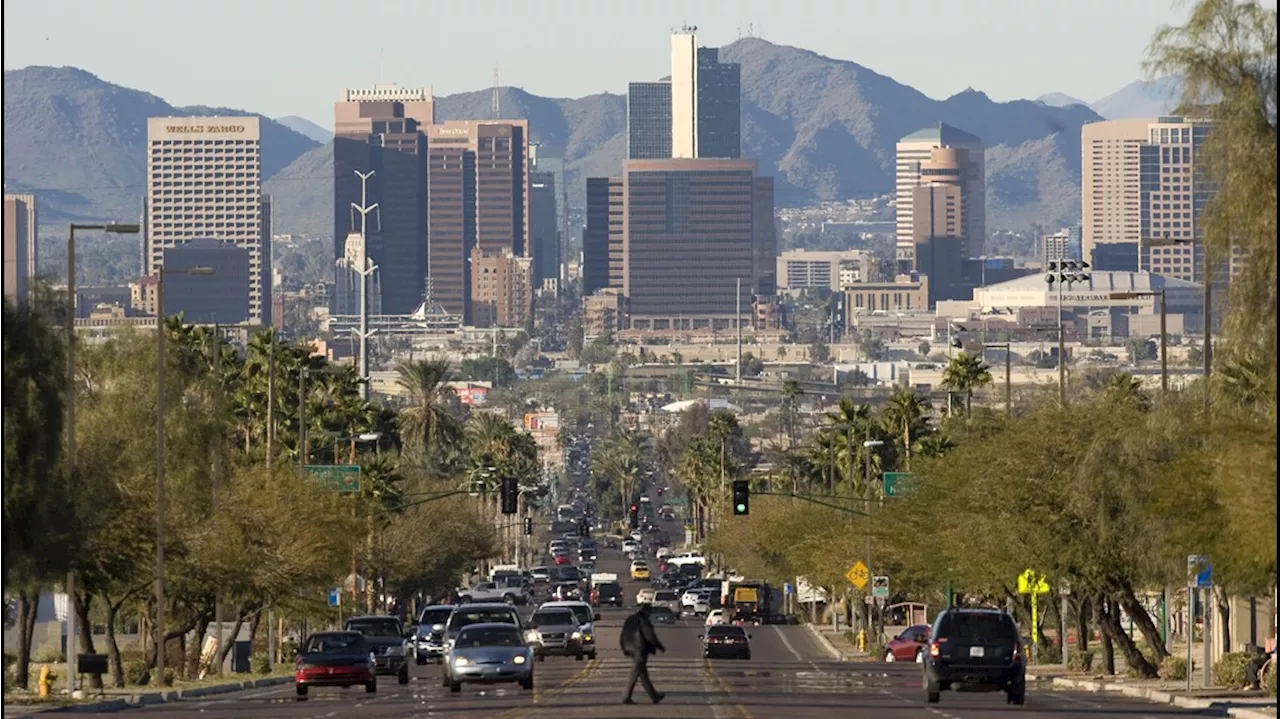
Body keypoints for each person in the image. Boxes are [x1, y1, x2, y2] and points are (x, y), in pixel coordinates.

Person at [620, 603, 666, 704]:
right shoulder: (643, 620)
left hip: (629, 647)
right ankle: (626, 697)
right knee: (636, 673)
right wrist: (659, 646)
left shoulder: (631, 619)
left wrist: (624, 647)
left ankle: (654, 696)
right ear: (647, 611)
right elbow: (649, 635)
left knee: (642, 674)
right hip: (639, 649)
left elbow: (623, 634)